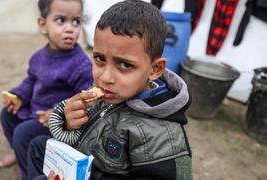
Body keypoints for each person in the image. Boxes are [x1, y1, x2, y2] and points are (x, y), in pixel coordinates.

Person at [27, 0, 192, 179]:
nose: (105, 77)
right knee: (37, 145)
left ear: (155, 69)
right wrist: (68, 123)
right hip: (86, 166)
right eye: (99, 59)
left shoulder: (161, 136)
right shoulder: (105, 94)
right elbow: (83, 140)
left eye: (124, 64)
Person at [0, 0, 93, 179]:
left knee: (23, 132)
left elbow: (84, 98)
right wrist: (17, 96)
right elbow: (30, 82)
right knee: (7, 115)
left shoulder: (80, 65)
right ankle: (18, 153)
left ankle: (29, 174)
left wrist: (59, 113)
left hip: (55, 122)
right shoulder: (38, 57)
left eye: (76, 21)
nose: (70, 28)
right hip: (35, 111)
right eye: (60, 20)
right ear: (43, 25)